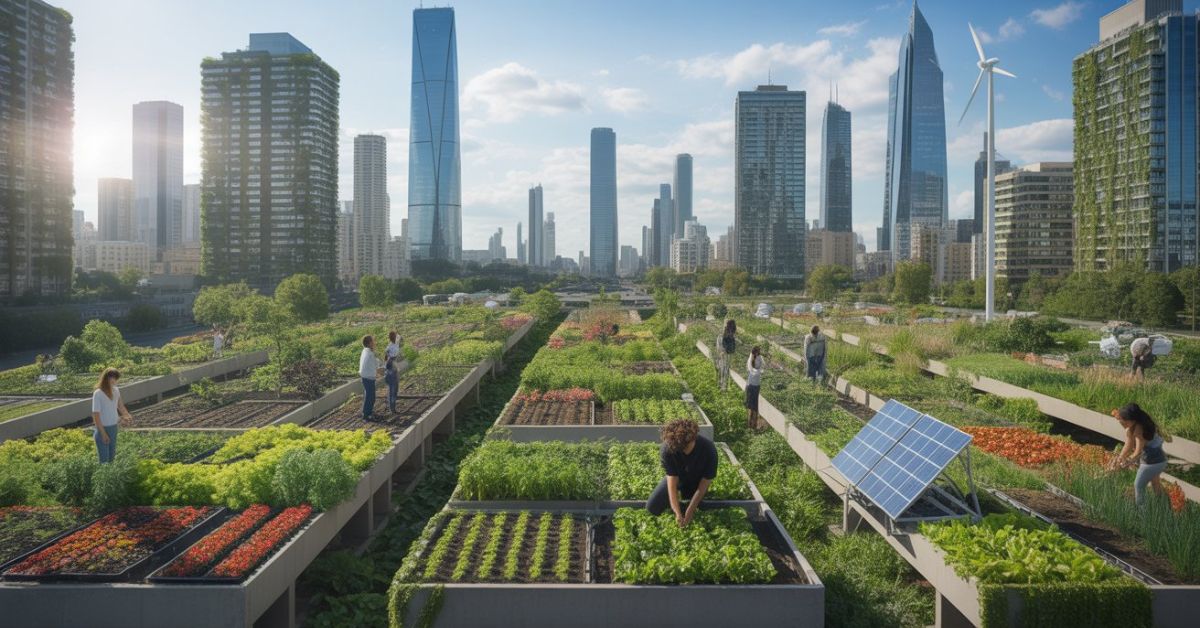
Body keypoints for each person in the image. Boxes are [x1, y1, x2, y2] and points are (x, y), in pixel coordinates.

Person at [646, 418, 718, 528]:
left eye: (686, 446)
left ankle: (688, 506)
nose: (683, 450)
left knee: (699, 505)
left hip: (697, 481)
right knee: (652, 507)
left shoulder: (708, 449)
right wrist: (677, 512)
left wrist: (690, 510)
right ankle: (680, 509)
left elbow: (704, 483)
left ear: (693, 438)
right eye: (680, 448)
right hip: (679, 479)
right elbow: (672, 481)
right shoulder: (669, 448)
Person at [1108, 403, 1172, 505]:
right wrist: (1120, 457)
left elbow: (1137, 452)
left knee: (1138, 485)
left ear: (1131, 420)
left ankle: (1142, 512)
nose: (1121, 422)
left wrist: (1125, 463)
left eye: (1123, 420)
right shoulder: (1135, 425)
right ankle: (1165, 508)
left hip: (1152, 462)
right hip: (1159, 460)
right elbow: (1128, 444)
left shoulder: (1139, 430)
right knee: (1155, 484)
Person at [91, 368, 132, 463]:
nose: (114, 380)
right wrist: (103, 433)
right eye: (112, 378)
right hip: (102, 429)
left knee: (112, 458)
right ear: (106, 378)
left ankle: (110, 477)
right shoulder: (98, 393)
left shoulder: (116, 390)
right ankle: (103, 478)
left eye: (116, 378)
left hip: (113, 427)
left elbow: (120, 406)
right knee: (104, 460)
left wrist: (127, 416)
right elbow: (96, 415)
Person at [359, 335, 382, 422]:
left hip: (366, 377)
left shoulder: (366, 351)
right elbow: (375, 365)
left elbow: (374, 363)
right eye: (373, 341)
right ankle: (366, 415)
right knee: (370, 397)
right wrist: (378, 373)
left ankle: (368, 412)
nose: (374, 343)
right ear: (369, 343)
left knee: (368, 395)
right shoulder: (369, 353)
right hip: (368, 378)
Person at [745, 346, 765, 430]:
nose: (757, 353)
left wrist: (760, 370)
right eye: (756, 352)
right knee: (750, 404)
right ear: (754, 352)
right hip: (751, 384)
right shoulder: (750, 358)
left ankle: (754, 423)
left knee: (755, 404)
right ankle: (750, 423)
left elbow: (763, 365)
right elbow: (751, 369)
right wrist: (758, 371)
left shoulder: (760, 357)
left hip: (757, 384)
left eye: (758, 352)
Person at [384, 331, 403, 414]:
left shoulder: (393, 344)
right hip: (392, 367)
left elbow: (400, 338)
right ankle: (392, 408)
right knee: (393, 388)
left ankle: (392, 407)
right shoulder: (392, 346)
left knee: (394, 388)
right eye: (396, 336)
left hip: (392, 367)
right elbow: (389, 356)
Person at [716, 320, 736, 391]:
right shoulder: (722, 337)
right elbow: (721, 349)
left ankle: (723, 387)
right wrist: (723, 351)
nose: (731, 333)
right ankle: (722, 387)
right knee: (723, 370)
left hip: (726, 357)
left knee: (724, 371)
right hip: (723, 357)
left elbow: (732, 349)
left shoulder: (730, 337)